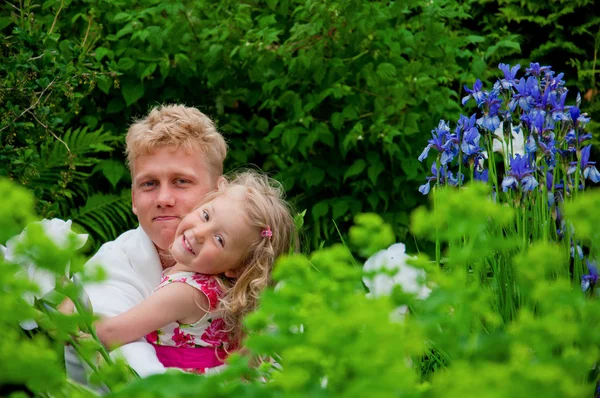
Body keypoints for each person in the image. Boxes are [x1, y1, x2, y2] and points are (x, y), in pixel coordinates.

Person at [65, 104, 228, 380]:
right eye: (149, 184)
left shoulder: (250, 252)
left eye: (181, 181)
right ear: (133, 199)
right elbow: (124, 360)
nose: (163, 199)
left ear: (219, 191)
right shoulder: (115, 265)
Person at [94, 171, 296, 373]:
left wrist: (71, 318)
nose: (199, 233)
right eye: (206, 216)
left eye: (219, 240)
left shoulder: (184, 293)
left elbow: (111, 332)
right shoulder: (214, 284)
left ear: (236, 268)